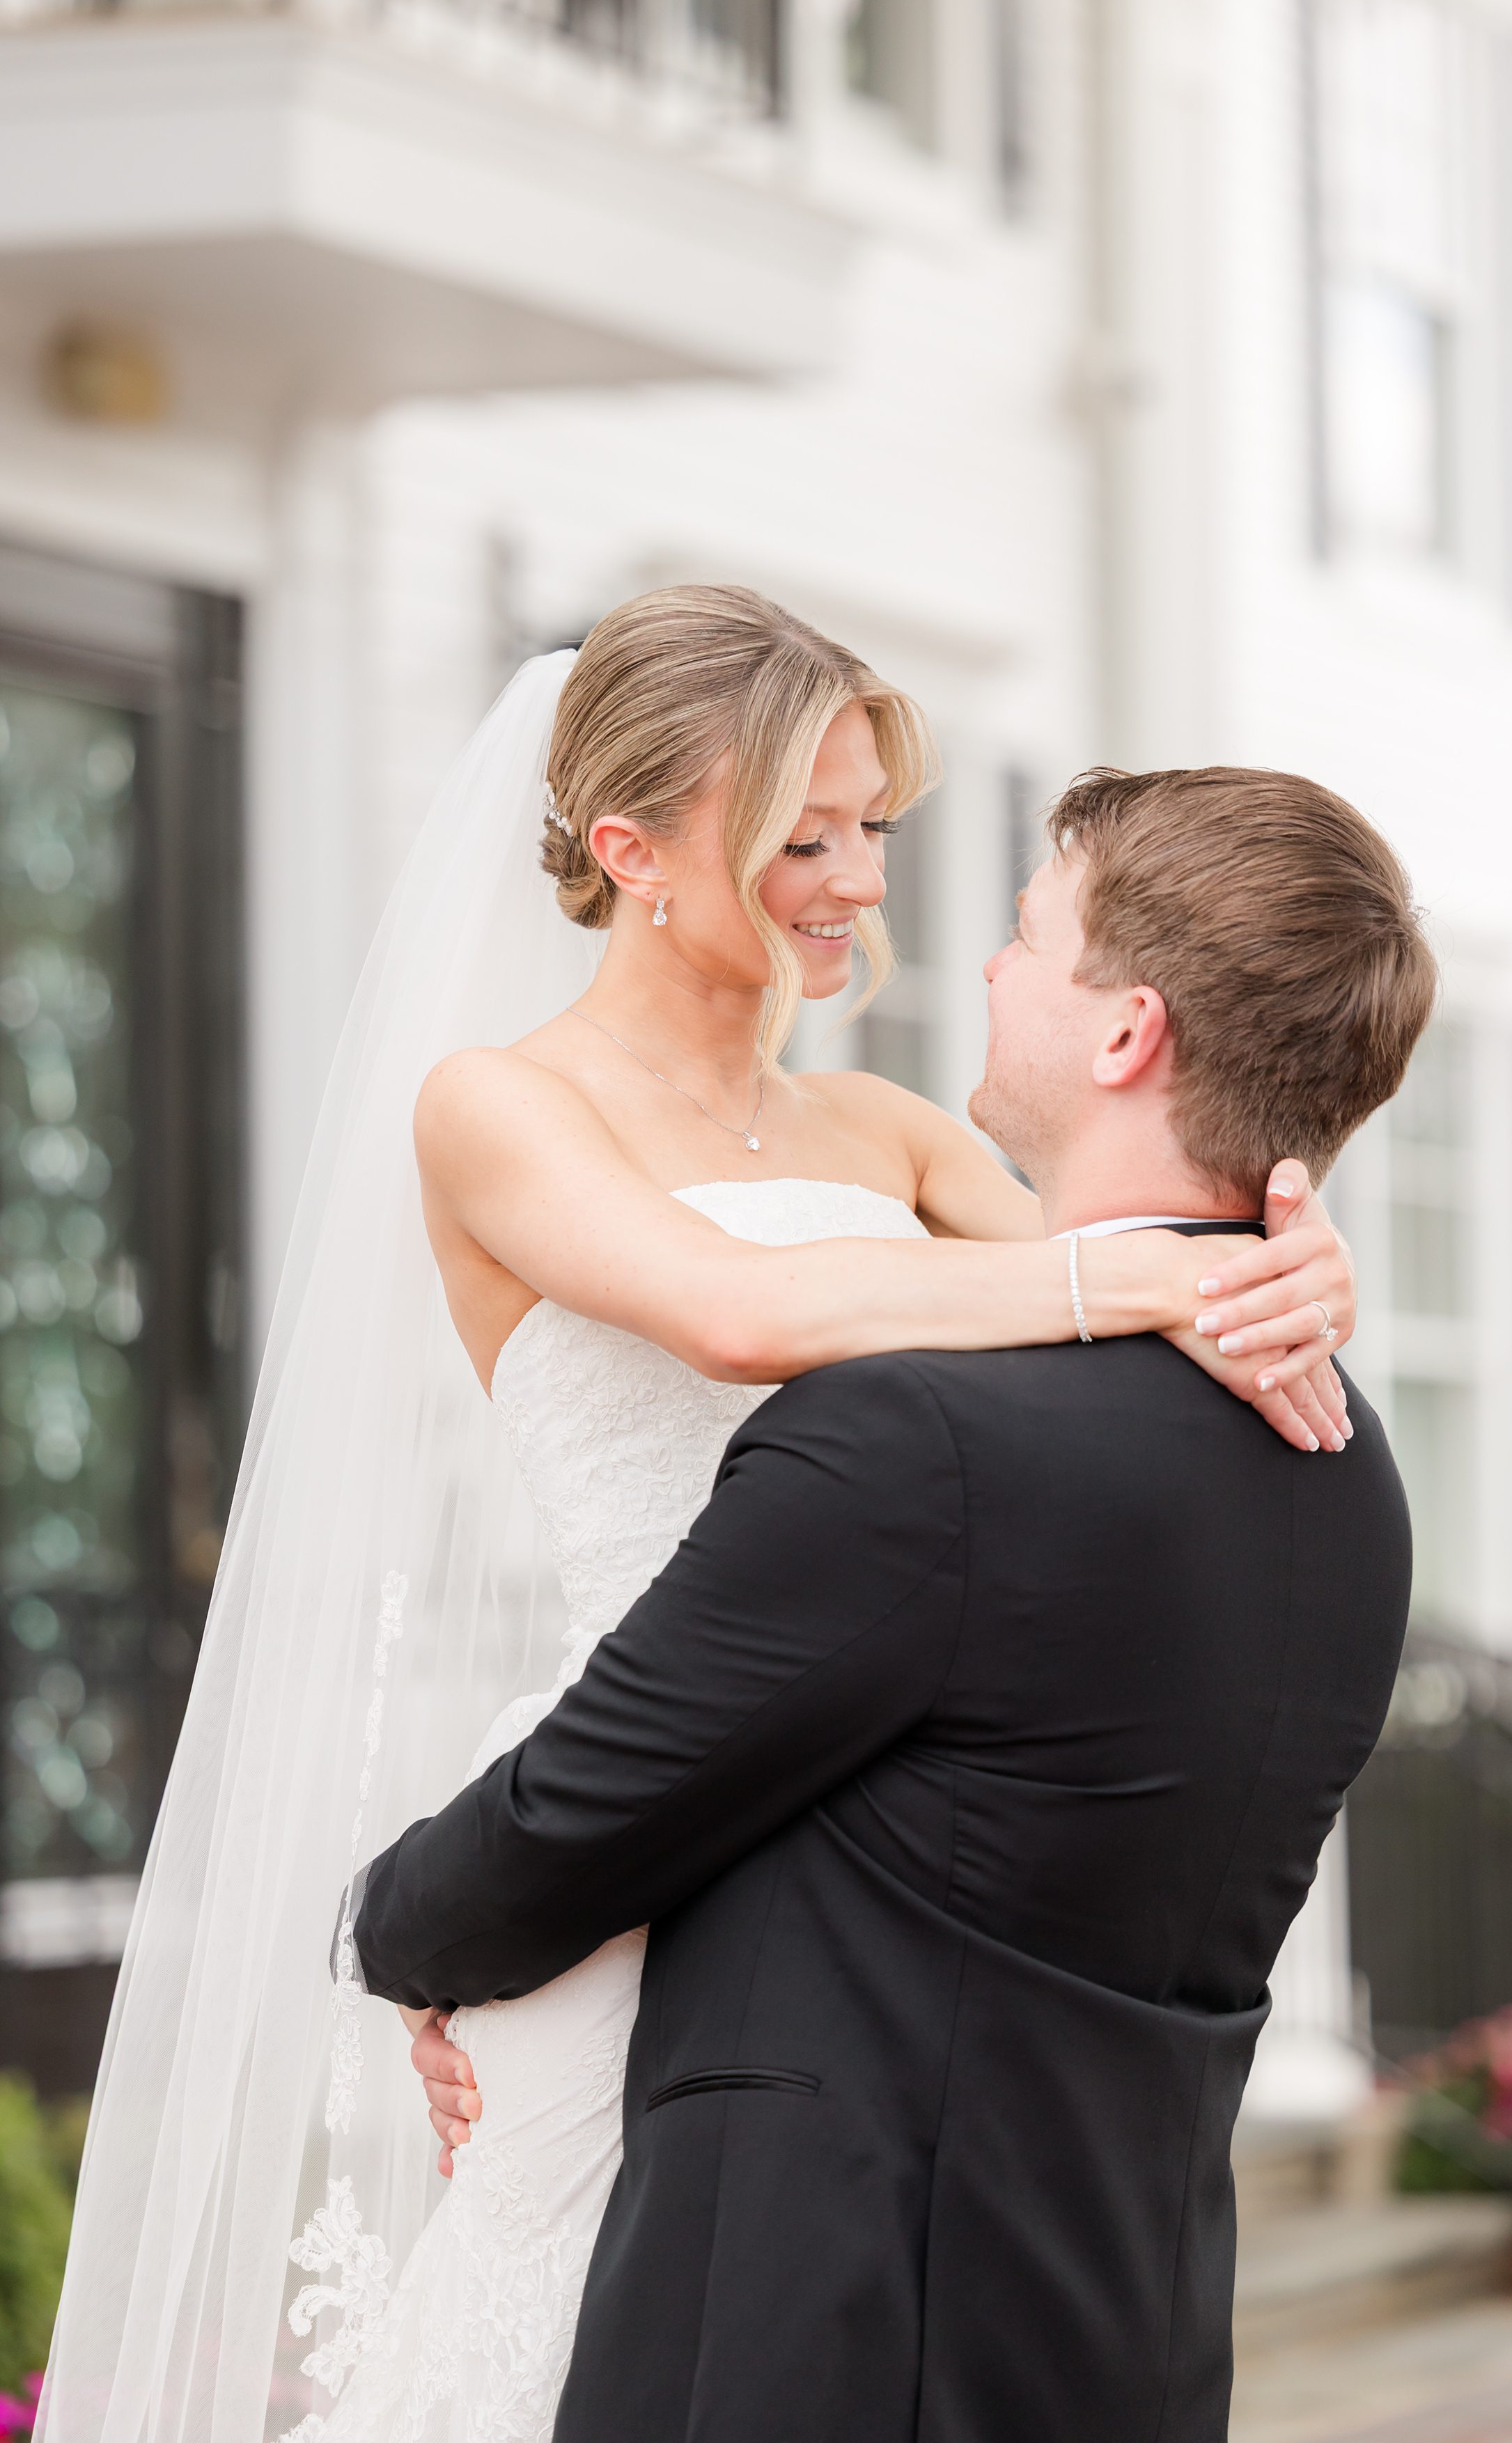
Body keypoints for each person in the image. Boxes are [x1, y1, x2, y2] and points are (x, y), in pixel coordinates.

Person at [40, 591, 1351, 2443]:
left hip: (849, 1832)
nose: (854, 880)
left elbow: (1150, 1349)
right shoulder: (498, 1110)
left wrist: (1293, 1276)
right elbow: (744, 1316)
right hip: (620, 1806)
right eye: (798, 836)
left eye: (869, 825)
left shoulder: (892, 1134)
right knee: (565, 2325)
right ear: (636, 854)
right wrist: (1123, 1280)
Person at [357, 755, 1435, 2442]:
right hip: (1118, 2320)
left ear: (1128, 1033)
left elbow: (606, 1793)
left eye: (1026, 937)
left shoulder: (911, 1426)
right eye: (813, 833)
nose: (976, 960)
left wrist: (398, 1926)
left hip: (828, 2317)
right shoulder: (1347, 1469)